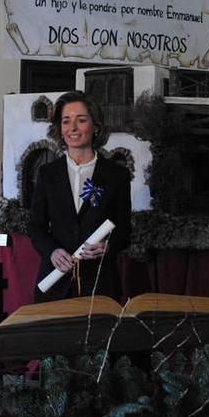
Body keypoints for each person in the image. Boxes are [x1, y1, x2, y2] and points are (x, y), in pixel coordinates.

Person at [28, 91, 132, 303]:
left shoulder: (116, 175)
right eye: (66, 121)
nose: (72, 128)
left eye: (81, 120)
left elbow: (125, 229)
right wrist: (52, 252)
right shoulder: (48, 174)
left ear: (96, 127)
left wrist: (108, 246)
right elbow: (35, 226)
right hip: (54, 284)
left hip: (100, 285)